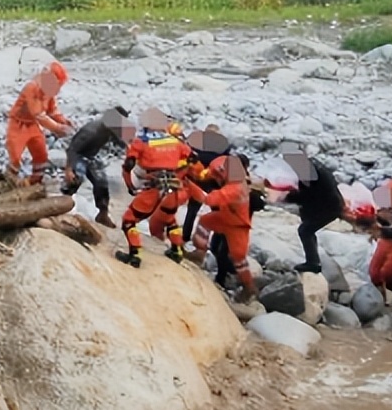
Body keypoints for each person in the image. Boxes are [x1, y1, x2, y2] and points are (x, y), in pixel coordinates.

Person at [116, 108, 193, 267]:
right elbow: (192, 159)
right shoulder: (175, 141)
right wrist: (178, 175)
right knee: (169, 218)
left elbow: (128, 165)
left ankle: (135, 255)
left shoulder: (140, 142)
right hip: (173, 187)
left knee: (129, 220)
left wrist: (130, 185)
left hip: (153, 187)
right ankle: (177, 251)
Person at [183, 155, 257, 301]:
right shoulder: (228, 172)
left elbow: (208, 199)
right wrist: (192, 168)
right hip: (225, 216)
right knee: (204, 222)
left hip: (237, 225)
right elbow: (208, 173)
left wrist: (189, 185)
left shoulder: (235, 188)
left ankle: (249, 287)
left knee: (238, 258)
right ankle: (199, 253)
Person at [276, 145, 345, 274]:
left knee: (305, 230)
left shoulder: (306, 171)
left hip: (329, 207)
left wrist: (288, 197)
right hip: (331, 203)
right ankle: (314, 260)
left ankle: (313, 263)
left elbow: (308, 194)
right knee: (308, 228)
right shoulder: (311, 165)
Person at [61, 106, 132, 228]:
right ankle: (62, 206)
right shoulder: (92, 131)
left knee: (101, 182)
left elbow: (121, 142)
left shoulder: (111, 129)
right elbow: (72, 149)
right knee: (75, 179)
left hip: (92, 156)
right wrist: (69, 169)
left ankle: (102, 214)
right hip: (79, 155)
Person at [4, 61, 72, 185]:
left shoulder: (48, 92)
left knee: (41, 154)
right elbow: (39, 115)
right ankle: (7, 182)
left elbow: (52, 110)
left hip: (32, 125)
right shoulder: (32, 88)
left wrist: (63, 120)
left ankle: (35, 182)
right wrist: (57, 128)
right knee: (15, 156)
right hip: (18, 125)